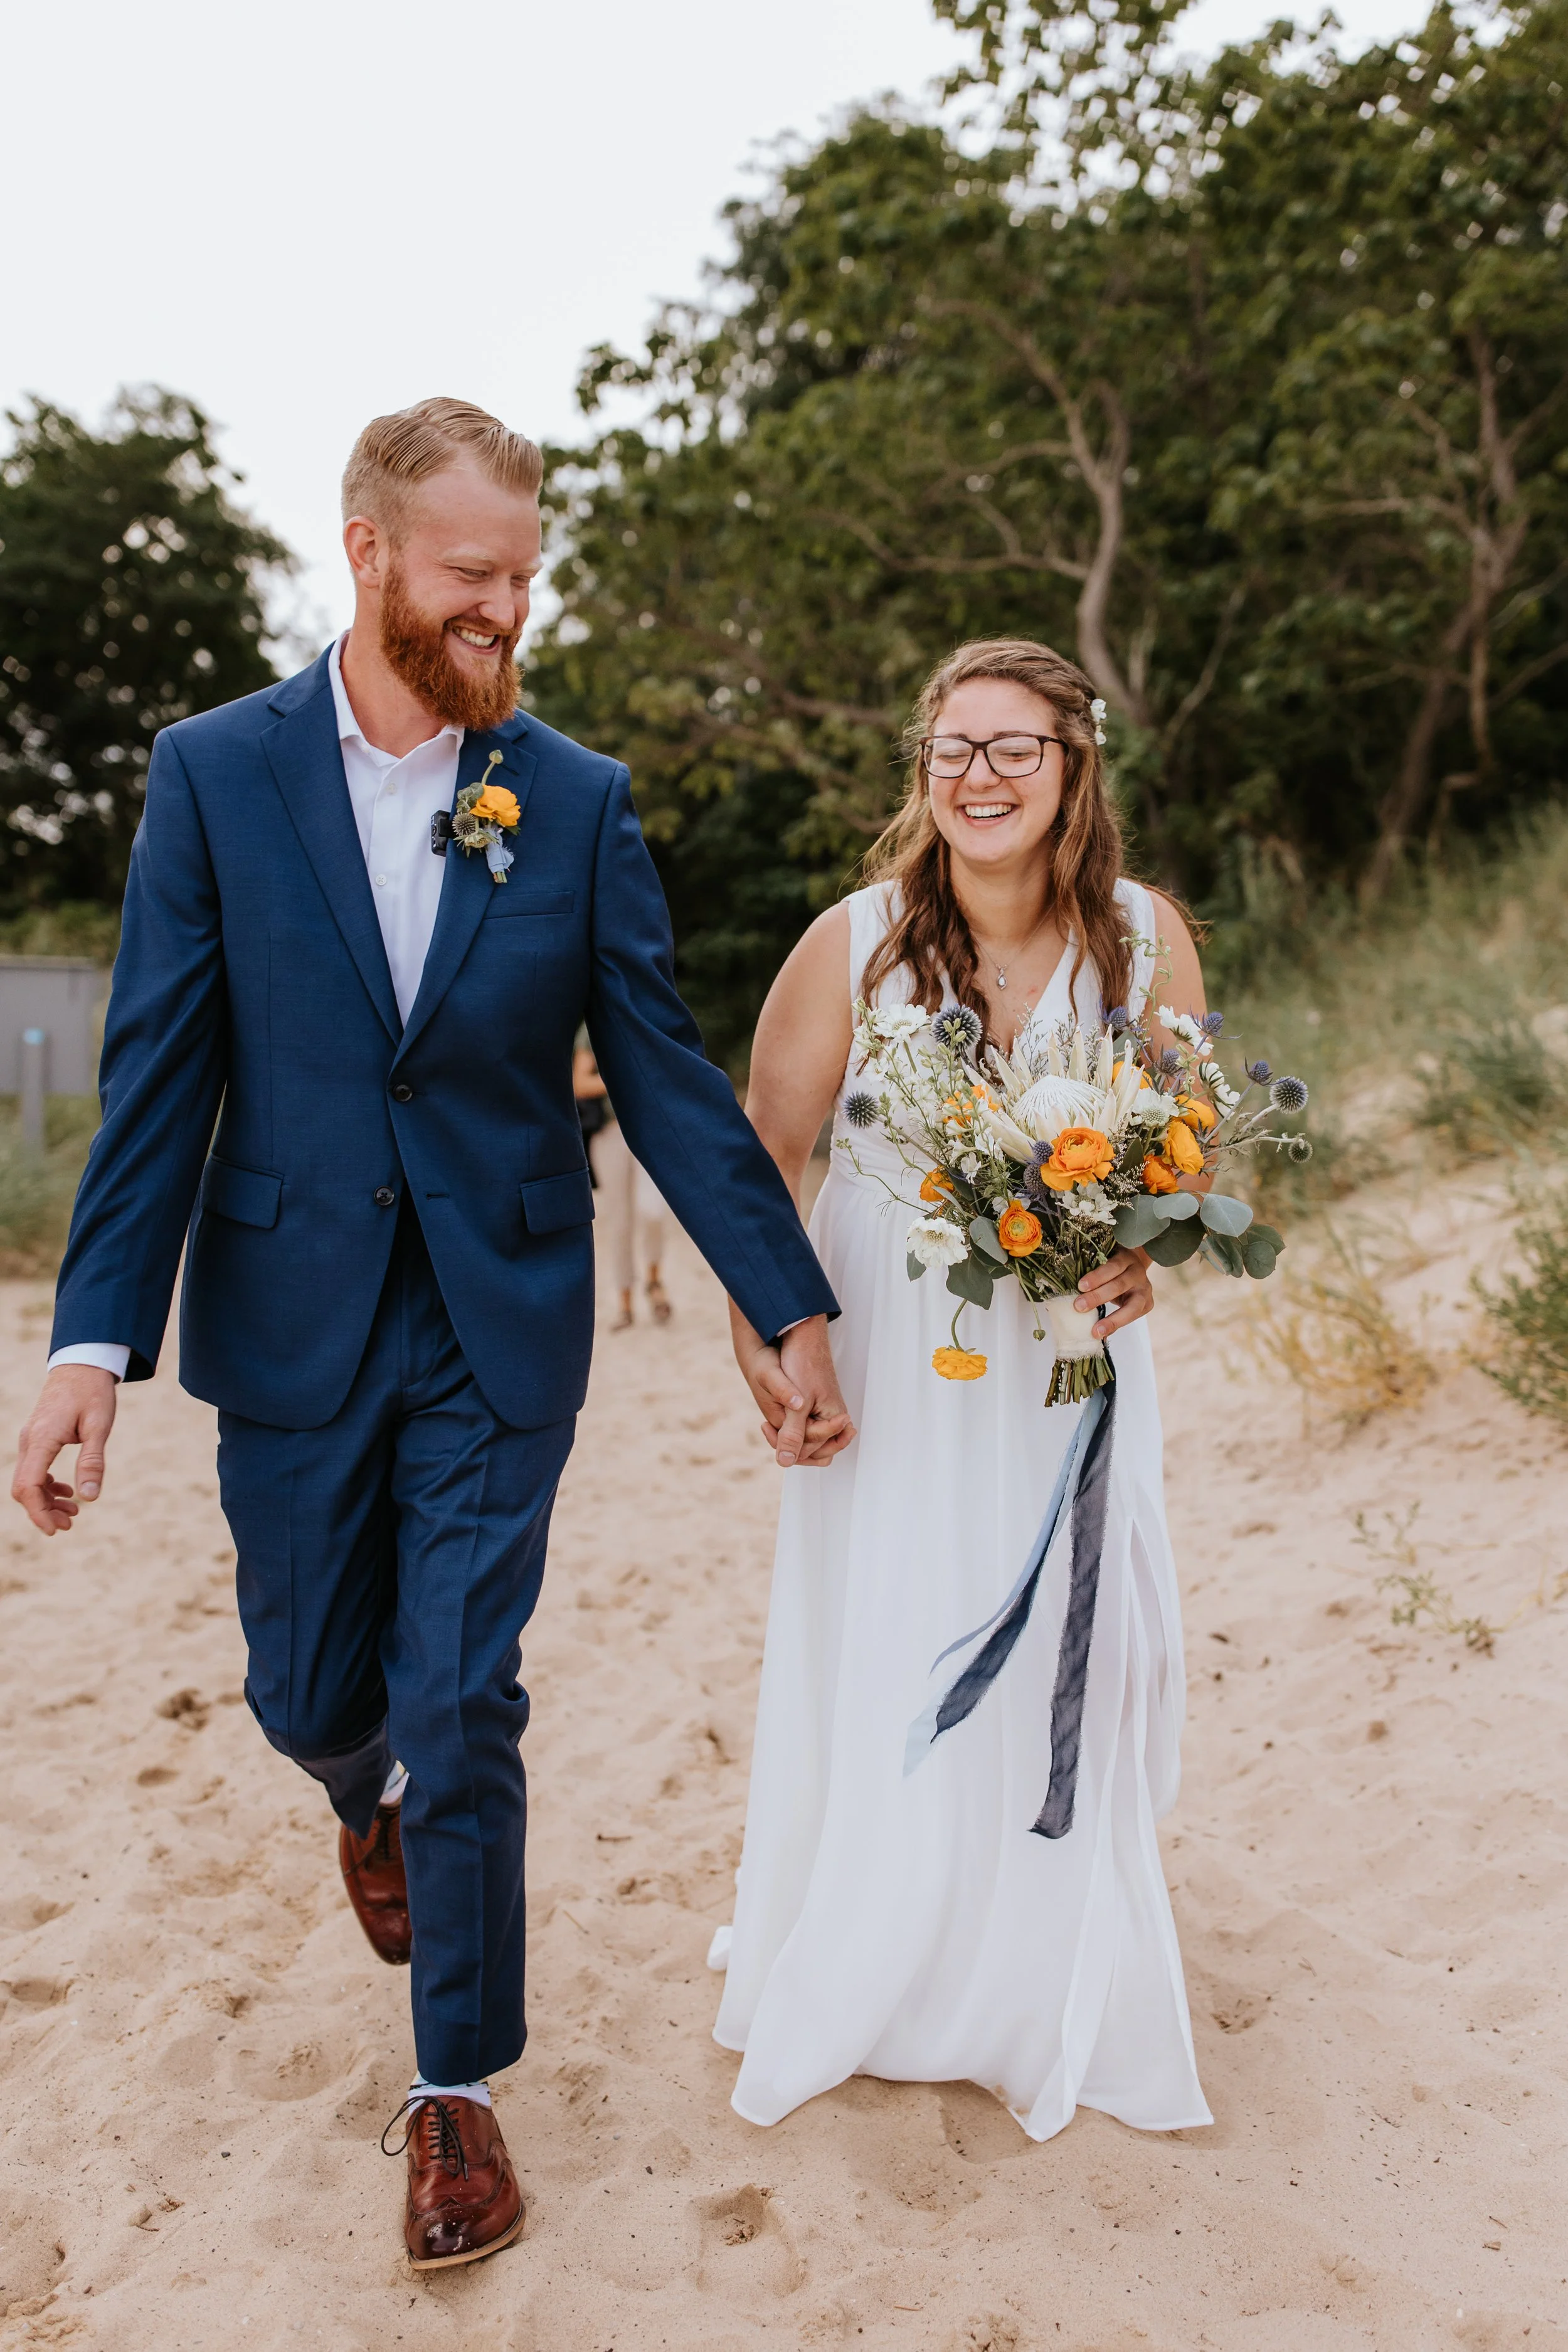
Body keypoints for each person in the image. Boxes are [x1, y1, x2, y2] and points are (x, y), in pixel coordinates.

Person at [11, 397, 851, 2270]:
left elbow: (663, 1073)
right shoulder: (213, 773)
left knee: (465, 1687)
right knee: (308, 1689)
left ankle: (454, 2089)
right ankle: (357, 1794)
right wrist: (88, 1342)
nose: (501, 609)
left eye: (522, 578)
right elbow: (155, 1072)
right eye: (471, 575)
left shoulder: (572, 796)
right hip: (285, 1310)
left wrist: (779, 1294)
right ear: (368, 549)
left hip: (500, 1314)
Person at [716, 637, 1213, 2141]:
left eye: (1014, 748)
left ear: (1074, 768)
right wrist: (766, 1327)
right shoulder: (855, 937)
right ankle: (888, 1945)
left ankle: (1039, 1954)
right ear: (923, 771)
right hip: (896, 1340)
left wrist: (1148, 1253)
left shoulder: (1143, 933)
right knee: (895, 1615)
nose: (980, 776)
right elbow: (766, 1146)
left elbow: (1184, 1147)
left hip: (1065, 1349)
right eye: (954, 748)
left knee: (1084, 1630)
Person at [573, 1041, 671, 1328]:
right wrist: (626, 1074)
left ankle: (653, 1281)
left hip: (647, 1129)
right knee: (620, 1222)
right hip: (609, 1135)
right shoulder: (588, 1032)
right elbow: (580, 1083)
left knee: (654, 1211)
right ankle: (625, 1303)